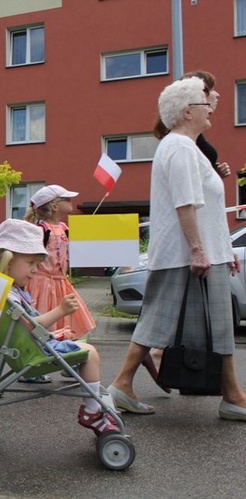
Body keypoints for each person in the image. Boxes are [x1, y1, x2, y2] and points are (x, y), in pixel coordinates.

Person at [108, 77, 246, 421]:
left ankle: (231, 395)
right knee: (160, 323)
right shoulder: (181, 148)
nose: (211, 107)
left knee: (201, 324)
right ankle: (231, 396)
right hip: (186, 255)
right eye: (204, 103)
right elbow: (186, 204)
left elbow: (208, 209)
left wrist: (223, 248)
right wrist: (198, 250)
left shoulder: (184, 147)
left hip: (198, 254)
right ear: (187, 112)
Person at [0, 219, 118, 435]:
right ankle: (91, 411)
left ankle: (93, 408)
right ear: (8, 260)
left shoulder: (6, 289)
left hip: (28, 347)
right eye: (30, 263)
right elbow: (29, 327)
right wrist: (61, 311)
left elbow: (25, 328)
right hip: (34, 353)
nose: (34, 270)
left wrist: (54, 334)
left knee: (79, 347)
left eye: (36, 264)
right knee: (91, 353)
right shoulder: (10, 295)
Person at [24, 185, 96, 340]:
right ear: (54, 206)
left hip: (60, 283)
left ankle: (61, 346)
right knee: (46, 320)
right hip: (43, 284)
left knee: (65, 319)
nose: (71, 201)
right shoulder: (42, 230)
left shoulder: (63, 228)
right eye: (67, 199)